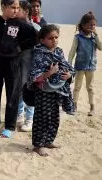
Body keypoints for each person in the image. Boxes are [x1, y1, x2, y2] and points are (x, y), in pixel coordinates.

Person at [0, 0, 37, 138]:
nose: (16, 10)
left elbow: (34, 38)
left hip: (13, 63)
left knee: (12, 95)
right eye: (13, 7)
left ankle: (10, 126)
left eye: (17, 8)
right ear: (3, 7)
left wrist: (19, 48)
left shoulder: (21, 24)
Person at [27, 24, 74, 156]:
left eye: (56, 37)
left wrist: (69, 75)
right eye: (50, 38)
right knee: (42, 118)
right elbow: (34, 76)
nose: (54, 40)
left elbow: (67, 66)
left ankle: (48, 140)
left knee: (54, 117)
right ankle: (38, 145)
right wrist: (50, 73)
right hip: (43, 91)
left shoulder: (58, 51)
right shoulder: (38, 53)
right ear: (42, 40)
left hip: (57, 90)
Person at [68, 11, 101, 116]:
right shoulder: (78, 37)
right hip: (79, 66)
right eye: (90, 25)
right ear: (83, 25)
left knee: (90, 87)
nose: (93, 27)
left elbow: (101, 47)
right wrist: (69, 64)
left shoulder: (94, 38)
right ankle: (74, 105)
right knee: (77, 86)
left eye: (94, 25)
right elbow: (72, 52)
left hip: (91, 66)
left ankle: (92, 108)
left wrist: (96, 36)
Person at [16, 0, 41, 132]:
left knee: (29, 89)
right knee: (18, 89)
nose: (15, 11)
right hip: (16, 64)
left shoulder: (36, 28)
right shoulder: (12, 27)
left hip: (31, 65)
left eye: (18, 8)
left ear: (26, 11)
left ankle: (29, 119)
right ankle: (19, 115)